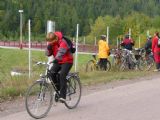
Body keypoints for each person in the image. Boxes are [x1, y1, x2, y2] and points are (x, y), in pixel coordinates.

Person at [46, 31, 73, 102]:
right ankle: (58, 90)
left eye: (51, 42)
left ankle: (63, 96)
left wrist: (55, 60)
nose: (50, 43)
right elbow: (48, 54)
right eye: (49, 42)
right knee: (51, 73)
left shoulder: (63, 42)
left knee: (62, 75)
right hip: (58, 61)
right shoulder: (52, 43)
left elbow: (61, 52)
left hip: (67, 61)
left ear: (55, 39)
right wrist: (48, 49)